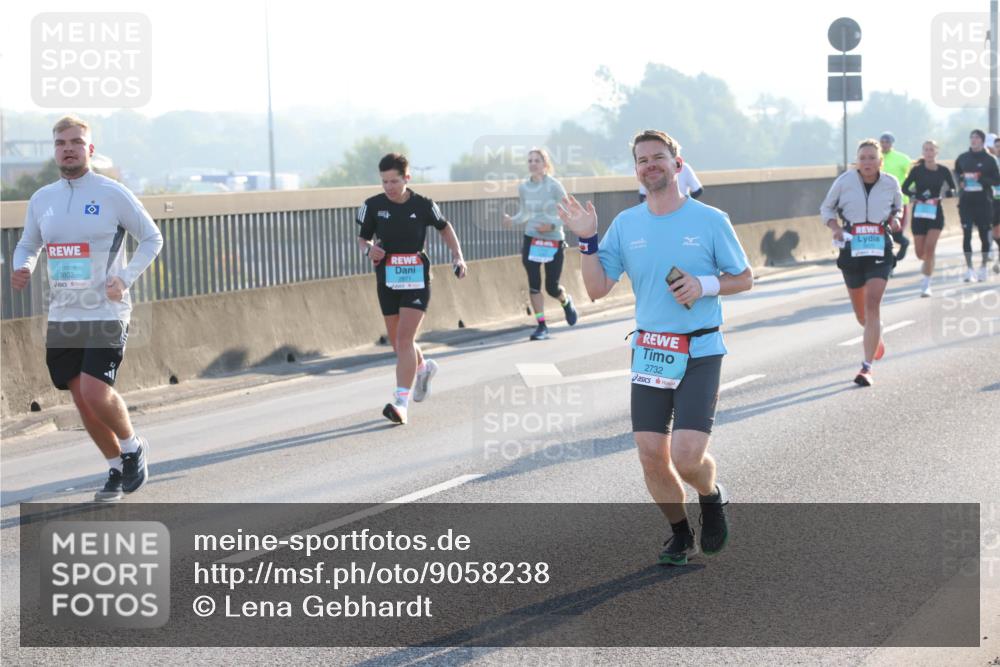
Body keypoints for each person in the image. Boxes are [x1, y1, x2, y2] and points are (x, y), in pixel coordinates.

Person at [558, 130, 753, 566]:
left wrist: (704, 285)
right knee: (651, 455)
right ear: (637, 171)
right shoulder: (627, 225)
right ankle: (680, 534)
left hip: (700, 350)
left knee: (686, 457)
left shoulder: (710, 220)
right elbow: (594, 289)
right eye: (642, 159)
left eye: (659, 157)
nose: (651, 165)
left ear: (677, 165)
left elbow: (744, 278)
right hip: (651, 351)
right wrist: (587, 240)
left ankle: (711, 494)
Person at [11, 115, 163, 502]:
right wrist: (23, 266)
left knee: (96, 392)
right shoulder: (42, 199)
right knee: (81, 400)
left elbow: (151, 237)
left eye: (76, 142)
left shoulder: (112, 193)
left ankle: (132, 448)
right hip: (64, 313)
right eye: (61, 142)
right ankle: (115, 468)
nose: (68, 148)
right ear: (55, 150)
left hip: (107, 310)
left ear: (89, 150)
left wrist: (125, 278)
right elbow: (29, 244)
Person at [356, 153, 468, 425]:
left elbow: (445, 228)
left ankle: (401, 403)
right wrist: (371, 249)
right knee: (399, 343)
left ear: (407, 178)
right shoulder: (371, 206)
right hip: (387, 278)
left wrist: (458, 256)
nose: (389, 187)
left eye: (394, 181)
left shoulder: (424, 204)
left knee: (405, 340)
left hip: (417, 278)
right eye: (384, 182)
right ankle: (423, 368)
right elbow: (362, 239)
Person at [820, 139, 902, 387]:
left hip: (879, 247)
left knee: (873, 303)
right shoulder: (844, 181)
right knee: (861, 315)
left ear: (880, 161)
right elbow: (826, 208)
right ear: (857, 161)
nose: (867, 162)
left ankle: (866, 367)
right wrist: (834, 227)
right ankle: (874, 335)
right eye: (863, 157)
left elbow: (898, 207)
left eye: (871, 157)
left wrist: (895, 220)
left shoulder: (890, 183)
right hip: (852, 248)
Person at [502, 148, 579, 340]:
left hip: (553, 239)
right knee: (534, 285)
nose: (533, 164)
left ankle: (565, 301)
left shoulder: (554, 186)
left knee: (552, 287)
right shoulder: (524, 187)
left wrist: (552, 225)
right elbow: (525, 213)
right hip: (532, 238)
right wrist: (512, 220)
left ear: (545, 164)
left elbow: (569, 213)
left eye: (537, 160)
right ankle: (541, 325)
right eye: (530, 161)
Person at [901, 140, 956, 297]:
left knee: (930, 248)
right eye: (926, 149)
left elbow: (952, 187)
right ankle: (928, 262)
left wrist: (949, 193)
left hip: (935, 212)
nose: (929, 152)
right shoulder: (917, 170)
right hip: (919, 212)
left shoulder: (943, 170)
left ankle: (926, 284)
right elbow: (905, 187)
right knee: (921, 253)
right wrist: (915, 195)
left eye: (931, 149)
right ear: (923, 152)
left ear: (936, 152)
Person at [954, 129, 1000, 282]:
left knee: (983, 236)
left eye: (976, 137)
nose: (973, 140)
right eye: (971, 137)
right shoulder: (963, 158)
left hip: (984, 203)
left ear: (982, 140)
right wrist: (960, 180)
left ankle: (983, 268)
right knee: (966, 235)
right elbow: (956, 172)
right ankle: (969, 269)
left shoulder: (990, 159)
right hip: (966, 202)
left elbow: (997, 180)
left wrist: (980, 180)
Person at [879, 132, 912, 263]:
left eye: (887, 142)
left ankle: (904, 243)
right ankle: (888, 262)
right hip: (880, 202)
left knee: (894, 232)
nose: (884, 144)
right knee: (883, 233)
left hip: (898, 202)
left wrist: (907, 189)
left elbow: (912, 177)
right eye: (882, 142)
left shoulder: (902, 159)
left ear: (892, 144)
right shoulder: (875, 158)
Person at [638, 161, 703, 203]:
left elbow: (698, 190)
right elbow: (642, 196)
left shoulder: (684, 167)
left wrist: (683, 203)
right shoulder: (650, 171)